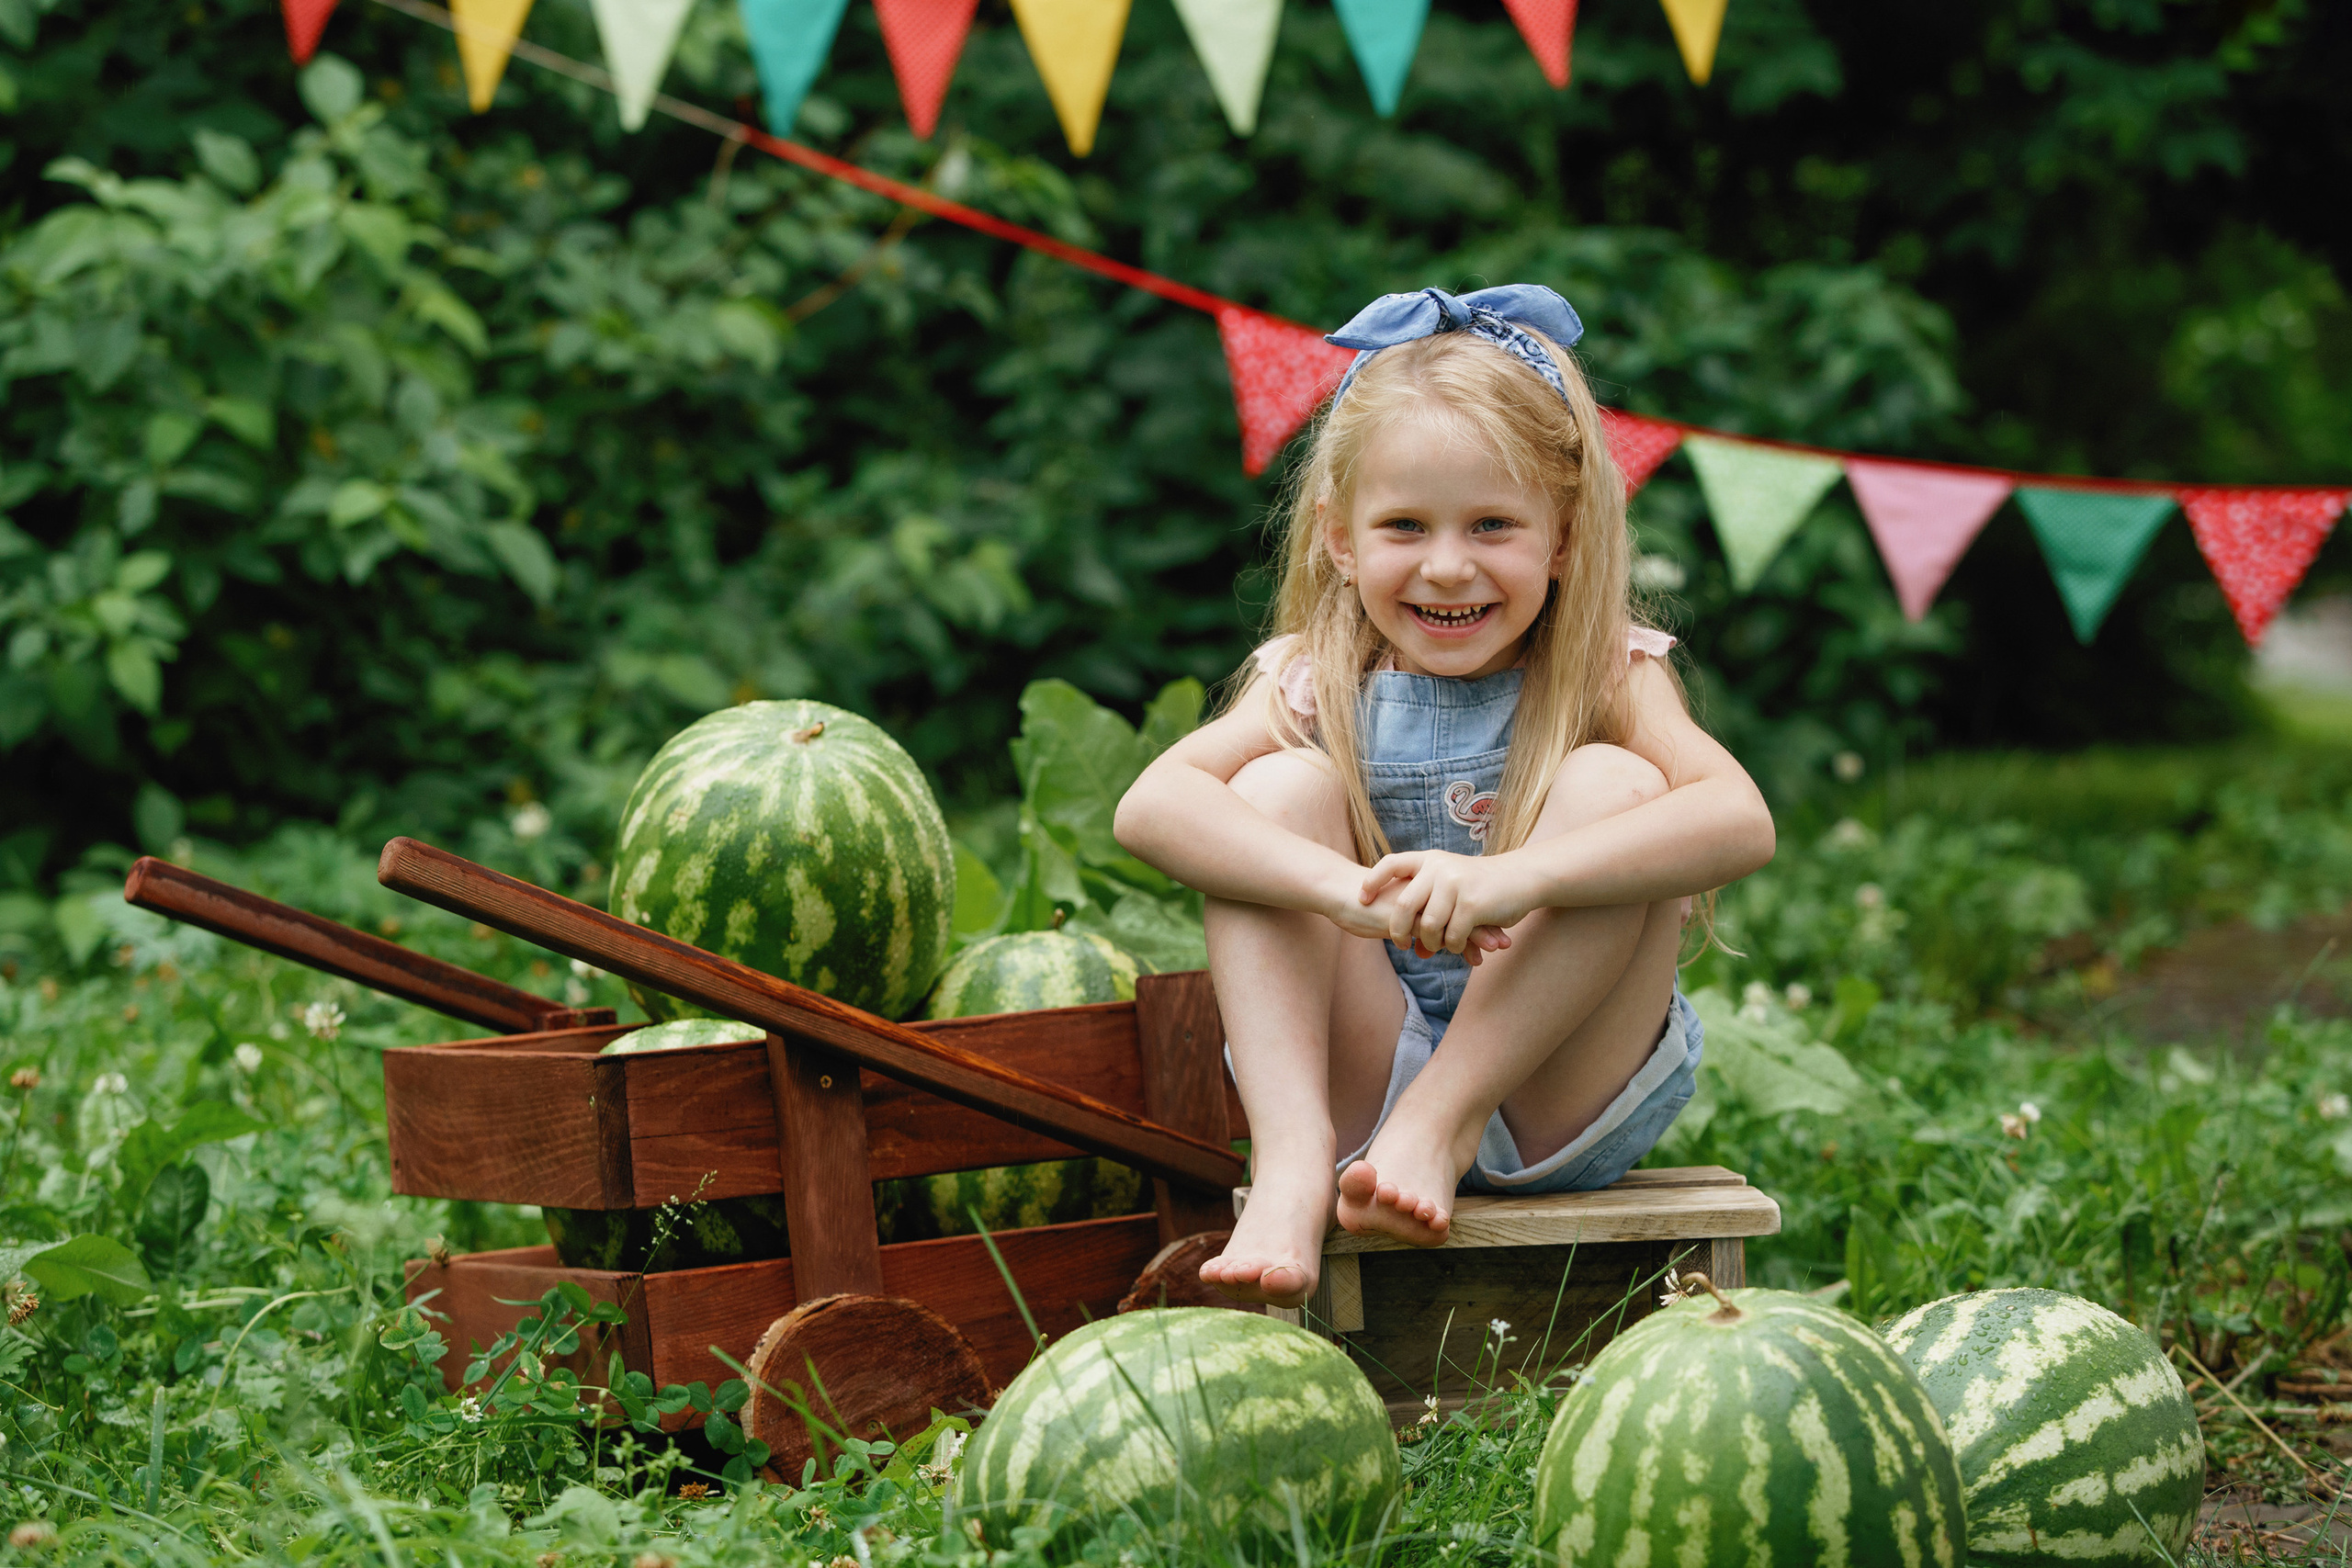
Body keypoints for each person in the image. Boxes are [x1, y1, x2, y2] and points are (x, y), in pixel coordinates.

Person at [1111, 286, 1777, 1309]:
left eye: (1493, 525)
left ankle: (1445, 1119)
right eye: (1405, 526)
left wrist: (1517, 878)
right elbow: (1150, 808)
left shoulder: (1605, 670)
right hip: (1361, 1089)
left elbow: (1740, 821)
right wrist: (1338, 890)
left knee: (1619, 786)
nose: (1448, 564)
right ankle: (1293, 1168)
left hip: (1553, 1091)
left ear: (1562, 539)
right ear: (1338, 539)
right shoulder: (1312, 673)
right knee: (1272, 792)